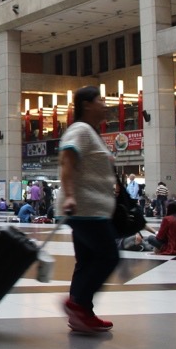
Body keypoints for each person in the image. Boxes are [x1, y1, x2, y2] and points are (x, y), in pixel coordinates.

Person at [58, 86, 119, 334]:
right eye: (100, 100)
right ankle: (77, 305)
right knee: (108, 256)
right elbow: (67, 161)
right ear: (86, 105)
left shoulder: (90, 133)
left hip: (90, 207)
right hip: (84, 208)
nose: (105, 104)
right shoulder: (81, 130)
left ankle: (82, 314)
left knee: (87, 260)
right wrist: (70, 195)